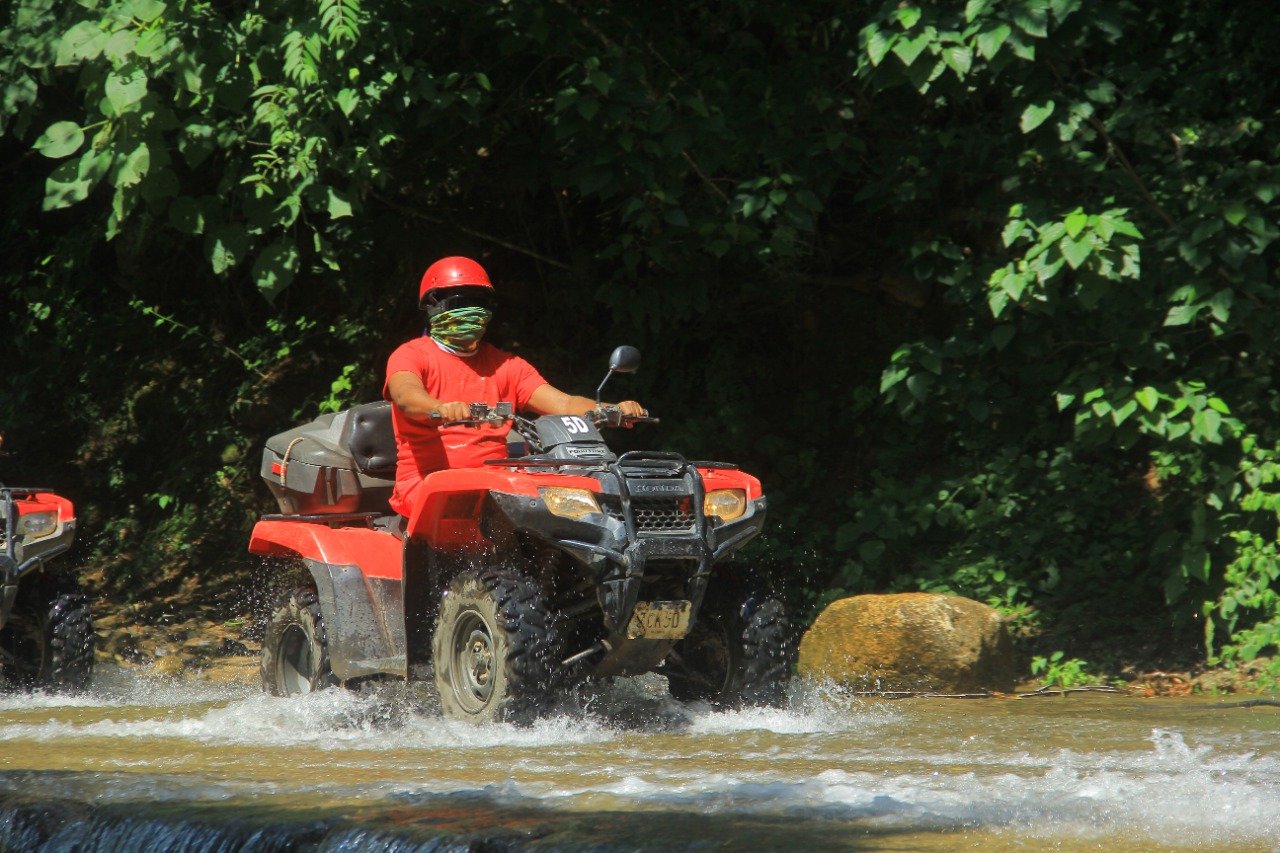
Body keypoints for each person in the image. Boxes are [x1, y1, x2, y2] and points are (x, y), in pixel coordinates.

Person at [384, 256, 646, 518]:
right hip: (428, 484)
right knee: (473, 513)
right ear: (432, 306)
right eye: (461, 302)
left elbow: (564, 404)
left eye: (480, 304)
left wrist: (612, 409)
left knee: (567, 510)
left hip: (496, 482)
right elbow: (406, 395)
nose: (472, 312)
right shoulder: (411, 355)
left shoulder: (506, 365)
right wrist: (440, 408)